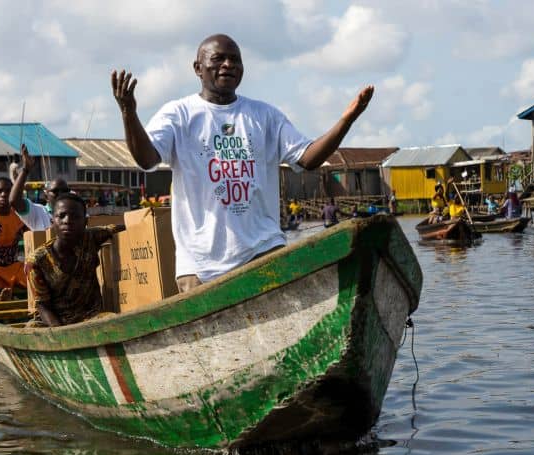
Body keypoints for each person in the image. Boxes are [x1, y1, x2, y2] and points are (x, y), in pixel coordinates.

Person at [112, 34, 373, 292]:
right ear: (198, 68)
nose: (228, 65)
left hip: (263, 251)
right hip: (202, 265)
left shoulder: (264, 115)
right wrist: (128, 113)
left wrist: (346, 120)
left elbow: (308, 159)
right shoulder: (179, 114)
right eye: (218, 58)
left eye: (235, 60)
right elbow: (147, 160)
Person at [26, 193, 125, 326]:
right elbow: (43, 306)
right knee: (32, 328)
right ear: (52, 222)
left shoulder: (90, 238)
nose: (67, 221)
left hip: (91, 317)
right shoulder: (36, 262)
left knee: (111, 320)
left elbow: (115, 228)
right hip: (54, 321)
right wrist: (61, 333)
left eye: (75, 216)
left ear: (85, 222)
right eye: (61, 216)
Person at [9, 144, 70, 231]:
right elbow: (14, 201)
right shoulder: (38, 212)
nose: (60, 194)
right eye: (55, 191)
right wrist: (25, 170)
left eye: (64, 191)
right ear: (46, 196)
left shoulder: (75, 212)